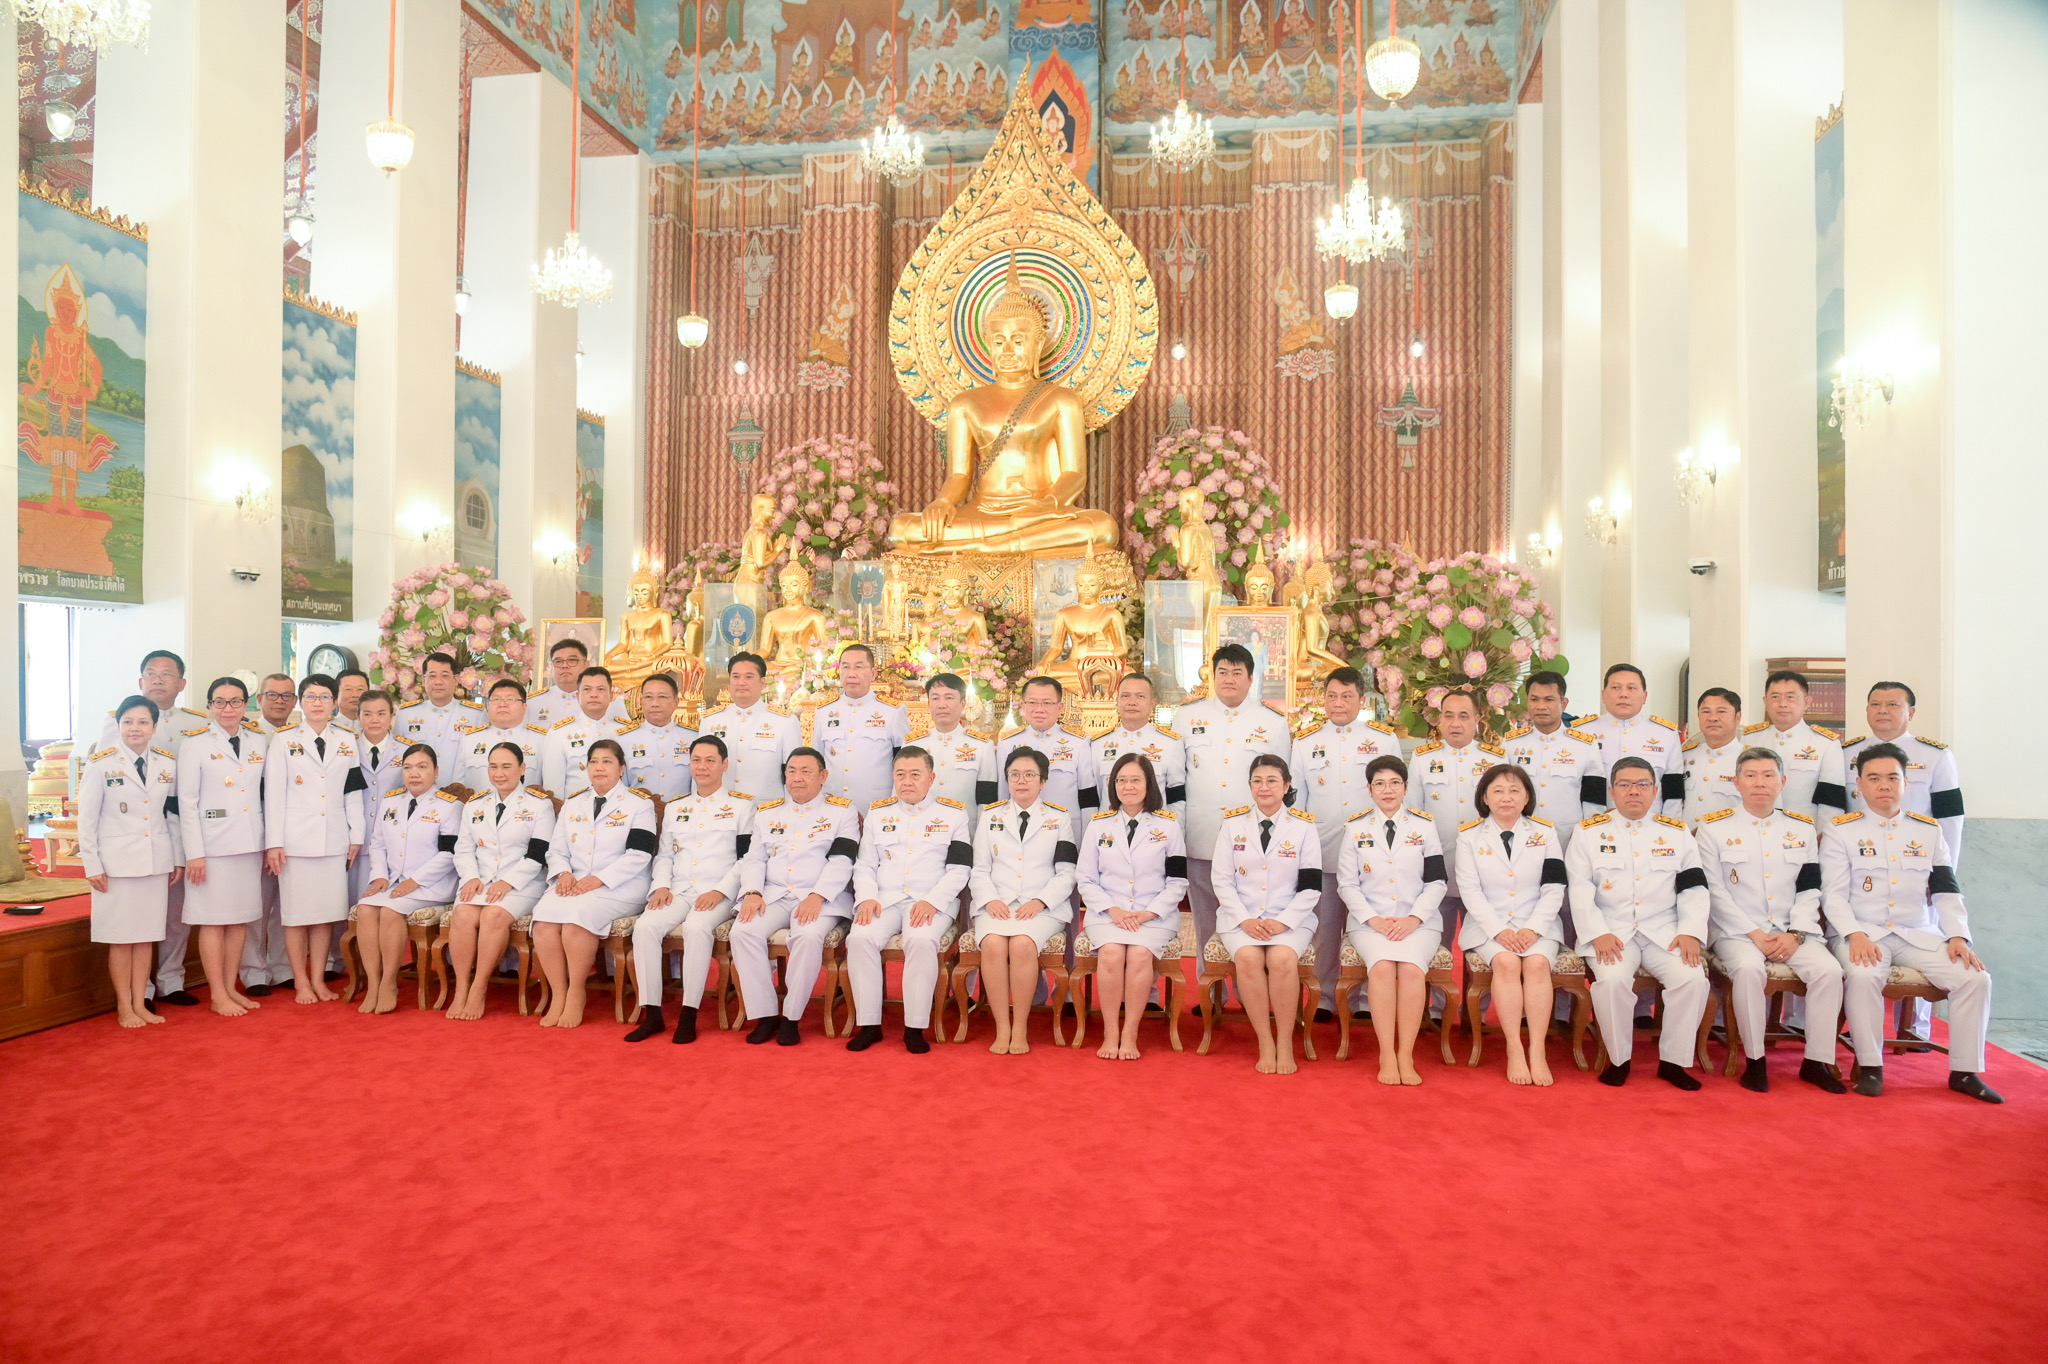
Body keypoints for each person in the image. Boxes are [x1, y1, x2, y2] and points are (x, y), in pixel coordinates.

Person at [1824, 743, 2000, 1103]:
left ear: (1906, 783)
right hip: (1863, 931)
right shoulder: (1841, 831)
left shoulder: (1928, 831)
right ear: (1860, 784)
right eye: (1874, 778)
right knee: (1863, 976)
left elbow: (1946, 889)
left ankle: (1965, 1071)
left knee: (1975, 978)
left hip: (1918, 933)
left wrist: (1957, 936)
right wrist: (1854, 934)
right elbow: (1833, 895)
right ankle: (1871, 1067)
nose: (1884, 785)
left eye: (1893, 777)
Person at [1693, 747, 1850, 1094]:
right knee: (1749, 970)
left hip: (1792, 930)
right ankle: (1755, 1060)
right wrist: (1753, 933)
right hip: (1736, 932)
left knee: (1829, 971)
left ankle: (1816, 1062)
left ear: (1783, 782)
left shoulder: (1801, 829)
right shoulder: (1712, 829)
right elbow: (1714, 892)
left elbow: (1810, 889)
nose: (1760, 783)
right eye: (1750, 776)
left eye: (1768, 775)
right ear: (1736, 782)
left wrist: (1796, 933)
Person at [1566, 756, 1710, 1090]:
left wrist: (1690, 931)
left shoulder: (1676, 833)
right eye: (1626, 784)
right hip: (1611, 931)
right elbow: (1580, 888)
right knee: (1612, 982)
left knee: (1692, 980)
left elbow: (1694, 888)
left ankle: (1673, 1062)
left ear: (1655, 791)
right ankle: (1619, 1059)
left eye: (1643, 784)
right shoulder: (1588, 832)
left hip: (1664, 932)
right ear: (1612, 791)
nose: (1635, 791)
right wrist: (1597, 933)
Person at [623, 735, 754, 1044]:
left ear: (724, 765)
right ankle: (652, 1013)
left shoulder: (742, 807)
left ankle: (688, 1013)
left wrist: (721, 891)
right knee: (645, 927)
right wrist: (661, 886)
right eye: (696, 760)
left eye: (710, 760)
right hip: (678, 890)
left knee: (696, 928)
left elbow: (747, 859)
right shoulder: (675, 807)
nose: (702, 767)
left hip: (717, 893)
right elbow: (664, 855)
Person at [845, 747, 975, 1053]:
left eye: (915, 774)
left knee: (920, 940)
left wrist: (933, 901)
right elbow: (865, 865)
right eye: (900, 774)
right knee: (859, 938)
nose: (907, 781)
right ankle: (869, 1024)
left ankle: (915, 1027)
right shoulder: (879, 813)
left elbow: (960, 869)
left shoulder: (953, 814)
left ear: (931, 778)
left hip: (931, 902)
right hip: (885, 899)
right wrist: (866, 897)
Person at [95, 651, 204, 1006]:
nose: (158, 679)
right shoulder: (115, 722)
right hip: (126, 844)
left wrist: (181, 851)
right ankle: (139, 993)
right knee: (134, 926)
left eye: (166, 674)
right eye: (151, 673)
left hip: (171, 835)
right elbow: (103, 787)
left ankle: (171, 980)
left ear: (181, 683)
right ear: (141, 681)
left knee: (173, 917)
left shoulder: (195, 723)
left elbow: (176, 801)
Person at [731, 748, 859, 1045]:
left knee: (807, 935)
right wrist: (752, 892)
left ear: (823, 776)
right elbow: (754, 859)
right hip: (774, 894)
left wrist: (818, 895)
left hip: (820, 898)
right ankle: (765, 1014)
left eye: (805, 771)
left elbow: (842, 861)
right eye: (791, 771)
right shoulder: (767, 813)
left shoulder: (842, 812)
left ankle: (791, 1017)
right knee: (742, 932)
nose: (797, 778)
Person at [1290, 666, 1399, 1013]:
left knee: (1369, 926)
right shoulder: (1305, 742)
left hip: (1372, 853)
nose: (1338, 703)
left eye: (1347, 696)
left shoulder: (1383, 740)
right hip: (1322, 849)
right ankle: (1324, 999)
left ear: (1361, 700)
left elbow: (1395, 798)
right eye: (1332, 696)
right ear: (1323, 699)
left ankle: (1365, 999)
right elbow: (1297, 803)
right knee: (1324, 929)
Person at [529, 739, 656, 1028]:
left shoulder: (639, 804)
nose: (599, 767)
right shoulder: (573, 804)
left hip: (620, 885)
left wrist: (598, 879)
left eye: (607, 761)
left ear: (621, 768)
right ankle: (559, 993)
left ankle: (576, 992)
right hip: (574, 883)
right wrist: (563, 874)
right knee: (543, 919)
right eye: (594, 762)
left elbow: (639, 854)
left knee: (577, 919)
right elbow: (556, 851)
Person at [1335, 755, 1446, 1085]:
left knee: (1411, 970)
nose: (1388, 790)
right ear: (1370, 789)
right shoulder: (1356, 828)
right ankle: (1386, 1053)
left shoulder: (1424, 826)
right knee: (1382, 968)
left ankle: (1406, 1055)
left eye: (1395, 783)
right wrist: (1373, 920)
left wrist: (1414, 918)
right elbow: (1347, 884)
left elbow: (1437, 881)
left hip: (1419, 923)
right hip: (1370, 923)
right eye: (1380, 783)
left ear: (1406, 787)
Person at [1455, 764, 1567, 1086]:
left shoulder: (1545, 833)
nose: (1507, 797)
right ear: (1485, 797)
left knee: (1537, 964)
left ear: (1527, 797)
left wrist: (1534, 928)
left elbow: (1554, 886)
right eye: (1499, 791)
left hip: (1538, 922)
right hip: (1488, 924)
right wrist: (1499, 930)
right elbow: (1469, 890)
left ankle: (1537, 1050)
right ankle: (1515, 1048)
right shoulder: (1468, 836)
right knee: (1505, 963)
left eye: (1515, 790)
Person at [1210, 754, 1321, 1075]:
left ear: (1286, 786)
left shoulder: (1303, 827)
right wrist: (1244, 919)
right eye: (1257, 781)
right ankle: (1265, 1042)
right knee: (1247, 958)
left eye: (1272, 781)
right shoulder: (1232, 824)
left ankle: (1284, 1042)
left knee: (1282, 959)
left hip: (1290, 919)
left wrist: (1282, 921)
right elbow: (1221, 880)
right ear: (1249, 785)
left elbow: (1311, 887)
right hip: (1240, 918)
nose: (1264, 787)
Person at [1177, 644, 1291, 950]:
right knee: (1204, 923)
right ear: (1212, 676)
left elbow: (1282, 785)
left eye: (1237, 673)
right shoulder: (1188, 716)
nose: (1229, 679)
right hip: (1201, 834)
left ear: (1251, 679)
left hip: (1252, 840)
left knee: (1251, 921)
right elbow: (1176, 779)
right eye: (1223, 672)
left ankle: (1246, 979)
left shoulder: (1272, 722)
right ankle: (1208, 980)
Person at [261, 674, 366, 1004]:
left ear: (335, 703)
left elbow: (353, 792)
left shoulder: (347, 740)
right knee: (295, 917)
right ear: (301, 702)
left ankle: (319, 979)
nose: (317, 703)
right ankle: (301, 982)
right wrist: (274, 843)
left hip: (334, 840)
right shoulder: (283, 740)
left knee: (325, 916)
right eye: (310, 696)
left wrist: (356, 835)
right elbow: (273, 795)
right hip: (295, 843)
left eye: (323, 697)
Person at [79, 695, 183, 1027]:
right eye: (127, 722)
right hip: (116, 867)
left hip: (155, 863)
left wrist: (178, 858)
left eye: (142, 722)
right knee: (122, 939)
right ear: (118, 726)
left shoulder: (166, 763)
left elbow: (172, 816)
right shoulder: (101, 764)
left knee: (145, 937)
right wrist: (92, 865)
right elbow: (87, 820)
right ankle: (124, 1006)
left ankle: (141, 1003)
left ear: (154, 726)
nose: (134, 728)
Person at [1075, 752, 1187, 1060]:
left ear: (1149, 784)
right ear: (1113, 786)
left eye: (1136, 780)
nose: (1128, 786)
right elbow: (1085, 878)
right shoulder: (1099, 825)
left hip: (1154, 915)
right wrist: (1112, 910)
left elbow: (1178, 881)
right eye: (1121, 780)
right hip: (1108, 913)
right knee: (1111, 953)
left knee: (1139, 955)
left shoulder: (1169, 826)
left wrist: (1149, 912)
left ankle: (1130, 1033)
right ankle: (1111, 1031)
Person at [970, 747, 1078, 1054]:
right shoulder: (990, 816)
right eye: (1014, 774)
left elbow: (1067, 872)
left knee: (1021, 944)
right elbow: (979, 869)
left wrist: (1041, 901)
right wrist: (990, 900)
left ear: (1042, 782)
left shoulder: (1059, 818)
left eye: (1030, 775)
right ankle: (1001, 1027)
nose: (1021, 781)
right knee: (993, 944)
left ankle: (1020, 1027)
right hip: (996, 905)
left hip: (1041, 908)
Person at [176, 677, 269, 1017]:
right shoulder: (195, 743)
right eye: (220, 702)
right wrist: (194, 853)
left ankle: (230, 988)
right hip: (211, 847)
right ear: (209, 706)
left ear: (246, 705)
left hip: (248, 844)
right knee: (213, 921)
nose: (228, 708)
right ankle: (217, 993)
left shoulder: (258, 740)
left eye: (235, 701)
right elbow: (187, 802)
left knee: (239, 919)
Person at [445, 742, 556, 1020]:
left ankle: (479, 987)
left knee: (493, 916)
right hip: (480, 880)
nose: (499, 773)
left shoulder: (538, 805)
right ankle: (461, 987)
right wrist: (470, 877)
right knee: (462, 914)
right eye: (493, 766)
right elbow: (463, 849)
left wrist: (508, 882)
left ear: (522, 769)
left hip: (523, 884)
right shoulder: (475, 804)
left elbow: (538, 854)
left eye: (507, 766)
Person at [353, 744, 460, 1014]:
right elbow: (377, 844)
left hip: (431, 885)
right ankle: (374, 983)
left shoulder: (449, 806)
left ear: (436, 771)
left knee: (390, 912)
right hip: (393, 883)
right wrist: (379, 876)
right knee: (365, 909)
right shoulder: (391, 802)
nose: (414, 773)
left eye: (422, 767)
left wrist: (416, 880)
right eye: (408, 768)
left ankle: (389, 982)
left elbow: (449, 854)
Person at [1410, 688, 1500, 954]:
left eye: (1464, 716)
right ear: (1439, 719)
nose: (1455, 723)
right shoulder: (1423, 758)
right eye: (1448, 715)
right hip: (1437, 870)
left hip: (1484, 871)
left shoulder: (1495, 759)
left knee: (1485, 949)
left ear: (1477, 720)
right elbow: (1412, 815)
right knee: (1435, 950)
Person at [1843, 680, 1964, 860]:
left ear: (1911, 712)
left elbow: (1950, 818)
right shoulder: (1846, 754)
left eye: (1893, 705)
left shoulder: (1936, 756)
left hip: (1914, 853)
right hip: (1860, 852)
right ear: (1867, 710)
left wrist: (1945, 869)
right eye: (1875, 704)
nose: (1882, 710)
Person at [239, 671, 303, 996]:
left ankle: (282, 967)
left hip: (292, 832)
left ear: (295, 701)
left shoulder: (299, 736)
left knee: (286, 905)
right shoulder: (247, 736)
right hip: (255, 831)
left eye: (286, 695)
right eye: (273, 695)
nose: (280, 701)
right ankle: (254, 972)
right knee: (256, 906)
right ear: (260, 699)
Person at [1499, 670, 1600, 844]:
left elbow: (1594, 801)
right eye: (1534, 699)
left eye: (1549, 699)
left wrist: (1590, 839)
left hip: (1567, 839)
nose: (1541, 706)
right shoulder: (1511, 744)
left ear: (1564, 703)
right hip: (1520, 837)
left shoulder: (1585, 745)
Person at [813, 644, 907, 815]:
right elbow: (816, 763)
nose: (851, 674)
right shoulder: (824, 711)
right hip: (832, 808)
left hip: (877, 807)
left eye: (858, 667)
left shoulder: (892, 711)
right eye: (845, 667)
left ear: (873, 673)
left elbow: (905, 763)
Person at [1742, 669, 1848, 821]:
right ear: (1765, 702)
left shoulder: (1826, 744)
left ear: (1807, 703)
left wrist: (1825, 834)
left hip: (1803, 831)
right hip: (1754, 827)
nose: (1782, 704)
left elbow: (1831, 802)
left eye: (1790, 697)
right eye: (1775, 697)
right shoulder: (1750, 739)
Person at [1577, 663, 1682, 812]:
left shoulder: (1666, 734)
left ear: (1644, 696)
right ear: (1603, 695)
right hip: (1597, 821)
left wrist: (1669, 825)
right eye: (1616, 688)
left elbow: (1673, 791)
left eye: (1631, 688)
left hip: (1651, 823)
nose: (1623, 694)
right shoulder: (1582, 732)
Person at [698, 652, 799, 802]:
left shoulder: (785, 721)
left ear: (762, 682)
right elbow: (698, 771)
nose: (741, 682)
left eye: (749, 677)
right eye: (736, 676)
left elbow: (794, 774)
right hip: (720, 808)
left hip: (765, 809)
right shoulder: (710, 721)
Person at [997, 675, 1100, 816]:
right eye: (1032, 702)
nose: (1039, 709)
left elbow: (1087, 796)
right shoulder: (1008, 743)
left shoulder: (1079, 743)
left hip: (1066, 825)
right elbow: (1002, 795)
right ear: (1023, 706)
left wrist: (1088, 829)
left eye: (1047, 703)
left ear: (1060, 707)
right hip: (1020, 824)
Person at [1091, 673, 1187, 817]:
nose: (1132, 702)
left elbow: (1176, 797)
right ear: (1117, 701)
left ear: (1152, 703)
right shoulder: (1098, 744)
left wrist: (1175, 829)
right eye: (1125, 696)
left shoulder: (1170, 744)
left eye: (1140, 696)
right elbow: (1095, 796)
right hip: (1110, 827)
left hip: (1156, 828)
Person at [910, 672, 997, 811]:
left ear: (963, 704)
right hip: (921, 823)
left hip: (966, 823)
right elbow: (901, 794)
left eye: (949, 698)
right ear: (929, 704)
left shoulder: (982, 746)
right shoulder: (912, 745)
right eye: (935, 698)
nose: (942, 705)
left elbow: (986, 800)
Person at [541, 666, 628, 796]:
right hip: (576, 808)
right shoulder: (559, 733)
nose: (594, 695)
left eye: (601, 689)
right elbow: (553, 789)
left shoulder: (626, 731)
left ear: (611, 696)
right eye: (587, 689)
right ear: (578, 696)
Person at [396, 652, 484, 776]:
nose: (438, 682)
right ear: (424, 680)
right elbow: (397, 757)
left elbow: (481, 759)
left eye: (445, 675)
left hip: (461, 787)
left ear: (456, 680)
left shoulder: (476, 715)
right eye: (432, 676)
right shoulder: (406, 714)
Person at [618, 672, 699, 799]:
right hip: (639, 810)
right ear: (641, 702)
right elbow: (619, 787)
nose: (655, 703)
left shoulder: (693, 737)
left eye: (662, 697)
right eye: (648, 697)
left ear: (676, 702)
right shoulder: (624, 740)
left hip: (684, 810)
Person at [457, 679, 545, 791]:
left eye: (510, 699)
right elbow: (458, 786)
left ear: (524, 707)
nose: (502, 704)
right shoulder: (469, 739)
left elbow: (548, 787)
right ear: (488, 706)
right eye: (496, 699)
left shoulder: (541, 740)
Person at [1678, 686, 1746, 825]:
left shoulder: (1750, 760)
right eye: (1706, 712)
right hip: (1684, 836)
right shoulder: (1684, 756)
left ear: (1737, 717)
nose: (1713, 718)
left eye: (1721, 711)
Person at [529, 637, 629, 730]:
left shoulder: (610, 700)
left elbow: (624, 735)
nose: (564, 666)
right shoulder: (533, 702)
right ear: (551, 667)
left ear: (586, 665)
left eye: (572, 660)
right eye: (558, 661)